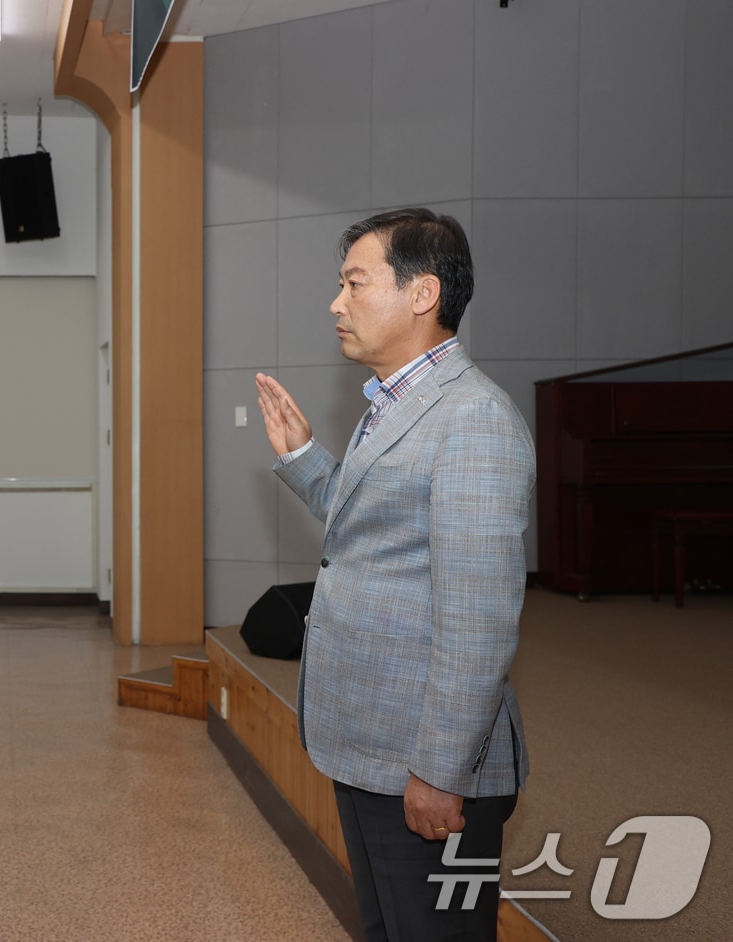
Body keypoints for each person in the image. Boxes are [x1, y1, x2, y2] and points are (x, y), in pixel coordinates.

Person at [255, 208, 534, 942]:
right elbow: (368, 533)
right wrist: (305, 457)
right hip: (373, 746)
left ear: (422, 295)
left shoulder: (472, 420)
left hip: (425, 762)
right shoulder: (397, 403)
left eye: (354, 282)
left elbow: (478, 620)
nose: (335, 303)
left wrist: (442, 773)